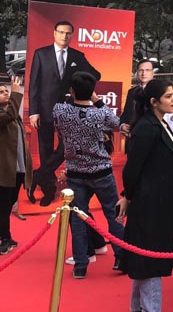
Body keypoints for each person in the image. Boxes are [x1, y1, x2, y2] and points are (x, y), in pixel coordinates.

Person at [118, 79, 173, 312]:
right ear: (154, 101)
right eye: (169, 96)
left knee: (146, 261)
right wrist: (128, 196)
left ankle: (137, 308)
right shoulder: (146, 128)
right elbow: (132, 169)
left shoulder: (160, 123)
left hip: (159, 203)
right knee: (148, 261)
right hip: (149, 205)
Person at [53, 71, 122, 279]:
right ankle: (121, 258)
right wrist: (97, 100)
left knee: (78, 219)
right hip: (101, 171)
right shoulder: (99, 114)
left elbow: (58, 118)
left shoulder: (60, 111)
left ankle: (80, 265)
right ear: (92, 91)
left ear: (72, 90)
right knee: (113, 214)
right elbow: (116, 123)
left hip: (75, 172)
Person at [28, 21, 101, 206]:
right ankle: (48, 190)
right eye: (61, 32)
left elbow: (96, 75)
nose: (64, 36)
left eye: (68, 33)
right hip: (44, 110)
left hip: (68, 110)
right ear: (54, 33)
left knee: (65, 147)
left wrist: (78, 84)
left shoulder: (77, 56)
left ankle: (38, 174)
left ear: (71, 36)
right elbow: (34, 84)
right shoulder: (41, 54)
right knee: (45, 150)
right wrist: (33, 112)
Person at [0, 77, 32, 254]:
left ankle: (6, 236)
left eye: (6, 91)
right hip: (5, 170)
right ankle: (5, 238)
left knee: (9, 203)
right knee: (4, 206)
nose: (6, 93)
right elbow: (9, 116)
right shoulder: (7, 115)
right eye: (1, 92)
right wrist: (15, 93)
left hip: (18, 168)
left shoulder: (11, 114)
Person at [120, 59, 156, 138]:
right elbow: (126, 114)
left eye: (147, 70)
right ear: (137, 72)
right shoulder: (131, 92)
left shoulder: (158, 90)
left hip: (151, 136)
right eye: (141, 70)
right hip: (132, 136)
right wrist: (122, 125)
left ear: (152, 72)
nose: (144, 73)